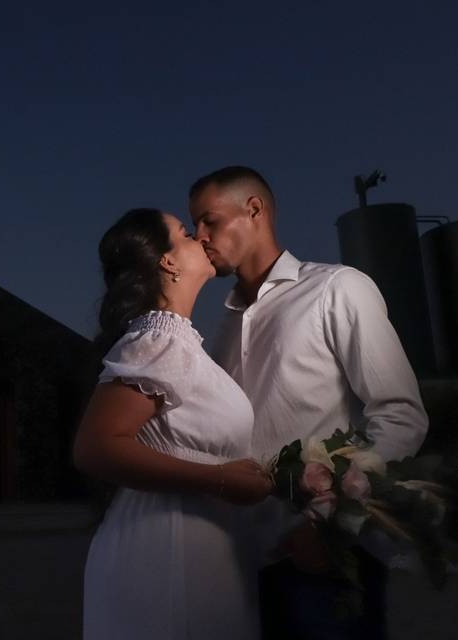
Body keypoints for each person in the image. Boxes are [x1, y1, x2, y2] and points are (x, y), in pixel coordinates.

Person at [189, 166, 429, 640]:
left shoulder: (337, 288)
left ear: (254, 210)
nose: (199, 237)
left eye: (208, 221)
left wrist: (329, 522)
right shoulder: (221, 328)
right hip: (241, 561)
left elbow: (401, 413)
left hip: (323, 560)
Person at [74, 207, 274, 640]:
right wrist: (219, 479)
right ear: (167, 261)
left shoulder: (180, 343)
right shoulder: (158, 340)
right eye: (185, 233)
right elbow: (96, 447)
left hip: (199, 549)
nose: (201, 237)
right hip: (167, 551)